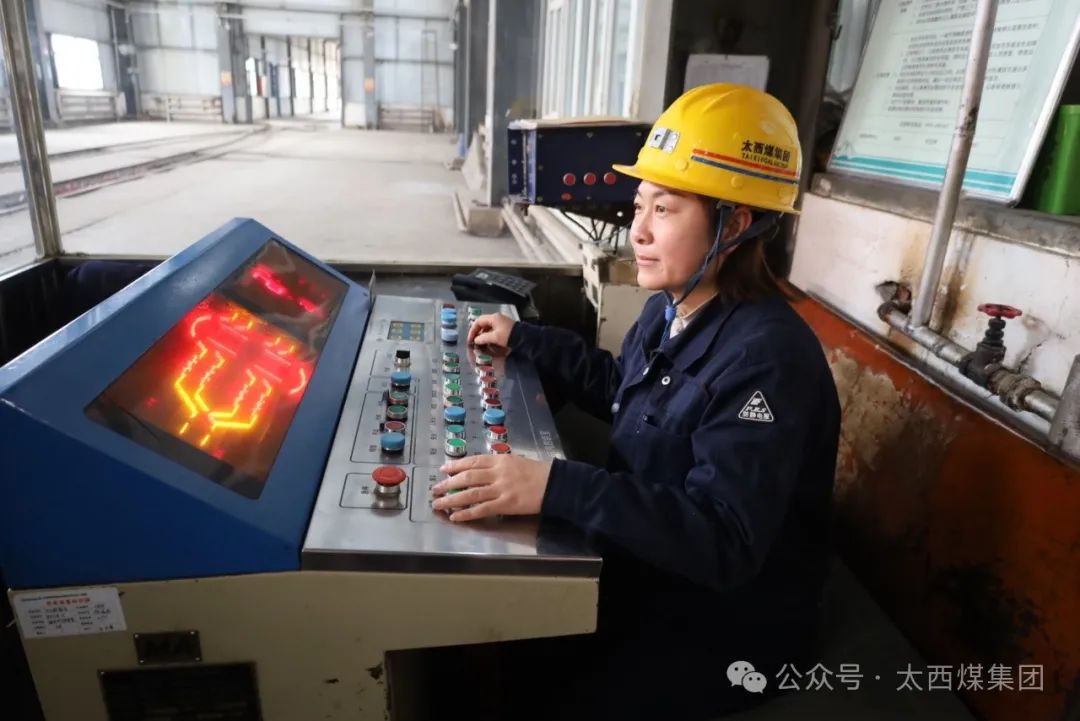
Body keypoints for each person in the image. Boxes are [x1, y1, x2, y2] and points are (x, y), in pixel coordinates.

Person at [431, 83, 841, 721]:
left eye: (666, 210)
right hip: (649, 569)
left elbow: (724, 539)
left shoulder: (768, 361)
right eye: (639, 205)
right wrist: (529, 340)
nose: (638, 231)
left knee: (538, 689)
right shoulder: (670, 308)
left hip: (723, 628)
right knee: (488, 647)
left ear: (734, 225)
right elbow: (628, 393)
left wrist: (556, 487)